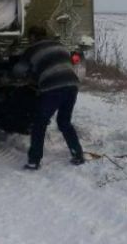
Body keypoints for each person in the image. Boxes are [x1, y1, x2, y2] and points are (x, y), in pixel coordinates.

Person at [13, 40, 85, 170]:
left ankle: (34, 161)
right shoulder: (60, 46)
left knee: (39, 123)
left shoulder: (31, 50)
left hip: (53, 87)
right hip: (72, 84)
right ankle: (78, 154)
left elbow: (18, 71)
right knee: (64, 122)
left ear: (32, 37)